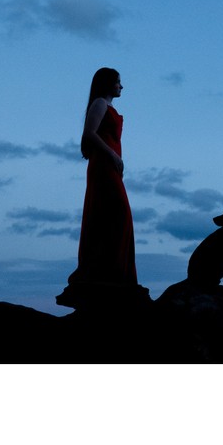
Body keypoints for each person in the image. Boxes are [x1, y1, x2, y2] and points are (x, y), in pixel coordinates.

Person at [57, 67, 137, 306]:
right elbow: (89, 133)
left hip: (110, 166)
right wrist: (112, 155)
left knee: (113, 217)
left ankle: (112, 272)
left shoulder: (108, 106)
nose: (121, 87)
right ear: (107, 84)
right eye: (118, 82)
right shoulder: (100, 103)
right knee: (117, 214)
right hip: (103, 166)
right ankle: (106, 272)